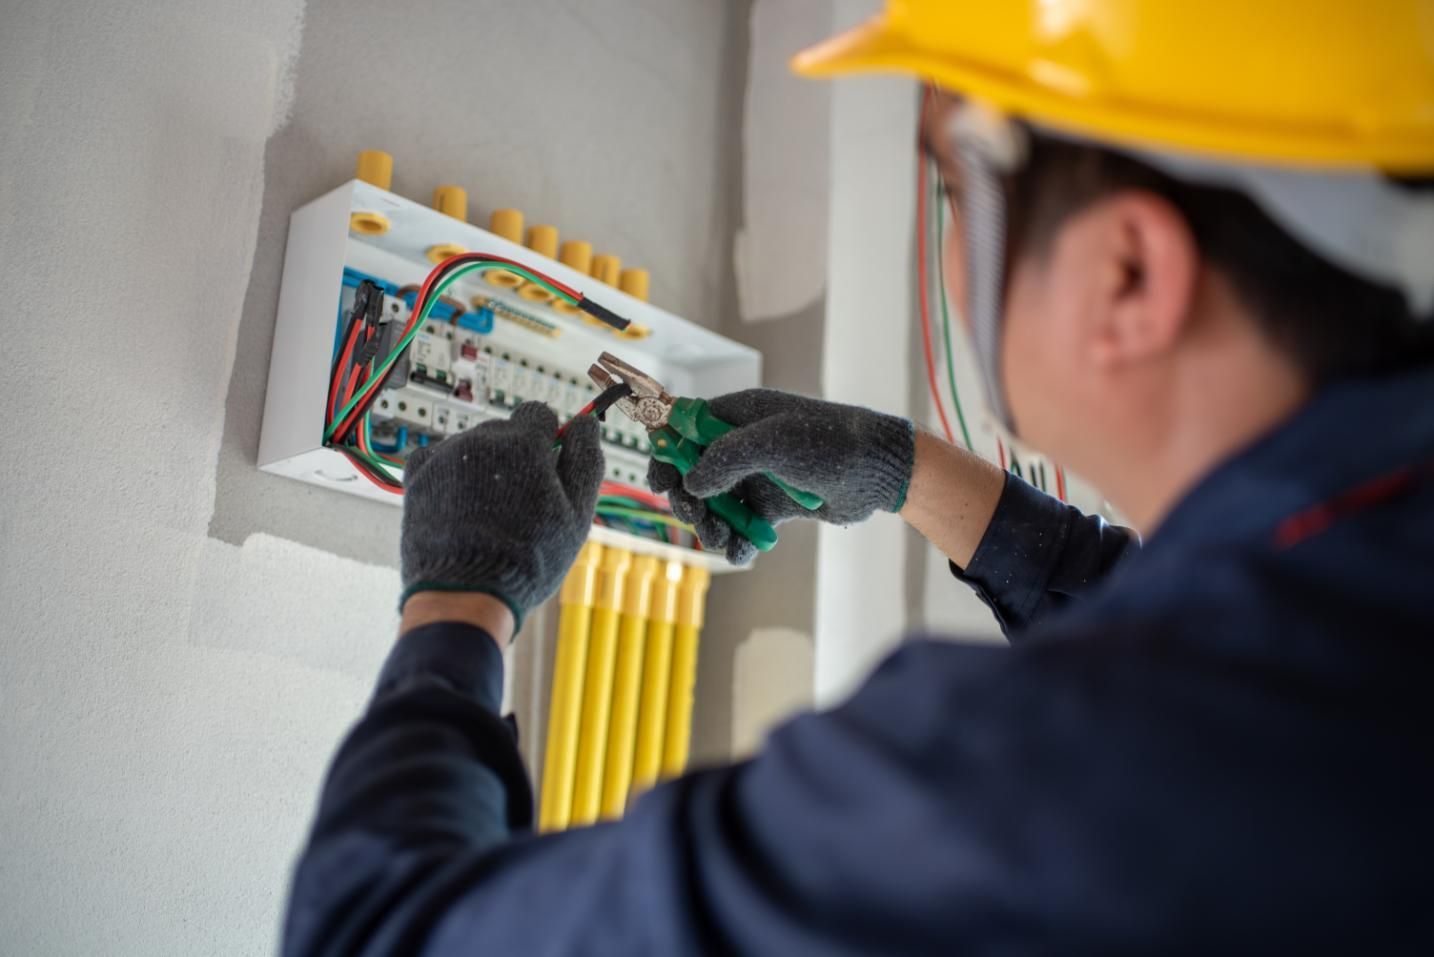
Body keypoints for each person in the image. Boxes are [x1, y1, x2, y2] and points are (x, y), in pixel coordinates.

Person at [284, 2, 1434, 953]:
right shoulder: (1363, 597)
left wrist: (458, 602)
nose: (950, 247)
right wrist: (900, 469)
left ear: (1125, 272)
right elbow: (1180, 629)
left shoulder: (1016, 781)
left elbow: (370, 930)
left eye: (955, 192)